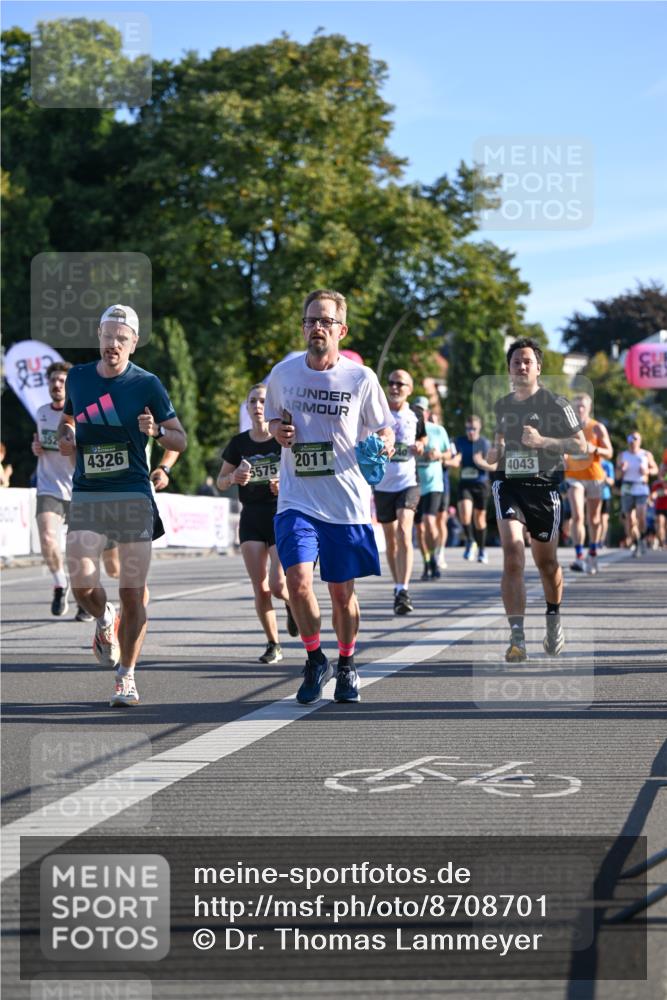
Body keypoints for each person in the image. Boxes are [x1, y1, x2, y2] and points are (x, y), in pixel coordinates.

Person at [265, 289, 394, 704]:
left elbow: (384, 427)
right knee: (298, 582)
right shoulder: (283, 374)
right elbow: (272, 420)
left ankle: (347, 662)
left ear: (342, 329)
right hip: (297, 497)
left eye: (325, 321)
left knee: (341, 593)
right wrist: (277, 432)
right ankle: (314, 657)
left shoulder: (361, 378)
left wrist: (385, 444)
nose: (316, 327)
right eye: (310, 321)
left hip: (346, 502)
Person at [58, 304, 187, 707]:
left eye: (122, 338)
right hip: (89, 493)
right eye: (108, 335)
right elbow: (69, 420)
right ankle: (102, 618)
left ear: (132, 343)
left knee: (134, 593)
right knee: (81, 582)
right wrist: (66, 432)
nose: (113, 344)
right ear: (98, 335)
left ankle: (126, 676)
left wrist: (158, 431)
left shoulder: (147, 384)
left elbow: (179, 440)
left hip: (132, 493)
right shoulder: (78, 378)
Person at [486, 337, 586, 662]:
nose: (522, 366)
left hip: (544, 489)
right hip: (508, 485)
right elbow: (497, 444)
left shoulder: (556, 404)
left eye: (528, 361)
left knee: (547, 564)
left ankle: (553, 617)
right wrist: (494, 452)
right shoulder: (502, 405)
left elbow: (580, 445)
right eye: (516, 362)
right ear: (509, 368)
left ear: (538, 368)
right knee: (513, 553)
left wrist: (543, 441)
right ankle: (517, 638)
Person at [32, 362, 125, 621]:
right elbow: (40, 441)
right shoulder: (41, 413)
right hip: (49, 487)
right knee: (49, 538)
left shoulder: (88, 411)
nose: (57, 385)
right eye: (53, 380)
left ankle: (86, 598)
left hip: (82, 489)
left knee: (100, 559)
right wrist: (37, 447)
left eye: (62, 381)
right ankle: (60, 584)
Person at [217, 383, 298, 664]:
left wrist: (284, 485)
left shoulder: (283, 439)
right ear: (248, 407)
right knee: (260, 587)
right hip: (250, 516)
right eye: (253, 401)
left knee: (278, 584)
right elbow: (220, 480)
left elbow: (300, 474)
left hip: (279, 514)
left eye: (263, 401)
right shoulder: (239, 443)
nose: (258, 406)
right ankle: (273, 643)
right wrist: (234, 478)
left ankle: (290, 604)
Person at [372, 370, 426, 613]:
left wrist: (421, 445)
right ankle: (397, 587)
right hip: (383, 484)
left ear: (410, 389)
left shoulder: (416, 413)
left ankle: (404, 588)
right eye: (391, 383)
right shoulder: (376, 410)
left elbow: (423, 437)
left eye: (400, 384)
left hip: (408, 481)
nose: (394, 387)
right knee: (391, 540)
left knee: (405, 530)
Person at [563, 393, 613, 575]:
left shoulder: (597, 428)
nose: (580, 409)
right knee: (577, 516)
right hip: (574, 477)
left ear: (589, 408)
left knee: (594, 519)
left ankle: (592, 551)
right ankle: (579, 557)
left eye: (583, 406)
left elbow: (609, 452)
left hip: (594, 477)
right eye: (576, 407)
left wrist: (595, 449)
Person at [412, 395, 451, 580]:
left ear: (427, 412)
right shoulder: (408, 429)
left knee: (429, 521)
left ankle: (435, 558)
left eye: (422, 410)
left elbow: (449, 453)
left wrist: (439, 454)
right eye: (416, 410)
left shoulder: (438, 430)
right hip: (414, 484)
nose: (419, 413)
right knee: (419, 529)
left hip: (434, 483)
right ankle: (427, 561)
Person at [451, 415, 492, 563]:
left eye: (473, 429)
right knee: (464, 513)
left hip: (481, 484)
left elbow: (492, 465)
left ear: (479, 428)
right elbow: (455, 457)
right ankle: (470, 541)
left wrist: (482, 462)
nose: (471, 432)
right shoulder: (460, 441)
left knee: (480, 519)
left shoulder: (484, 443)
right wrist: (453, 461)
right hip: (465, 483)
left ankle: (482, 550)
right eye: (468, 428)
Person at [616, 431, 658, 556]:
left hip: (641, 488)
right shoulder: (622, 455)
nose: (633, 441)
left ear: (640, 441)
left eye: (635, 439)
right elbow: (617, 475)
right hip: (627, 488)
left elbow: (655, 469)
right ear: (628, 441)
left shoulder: (646, 454)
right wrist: (622, 470)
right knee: (629, 520)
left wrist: (647, 470)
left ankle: (642, 540)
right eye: (631, 439)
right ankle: (638, 541)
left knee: (641, 516)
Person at [599, 457, 615, 549]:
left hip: (605, 495)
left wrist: (604, 477)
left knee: (604, 519)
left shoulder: (608, 465)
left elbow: (612, 481)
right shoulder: (589, 462)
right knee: (594, 519)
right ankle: (595, 540)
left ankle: (601, 540)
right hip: (592, 495)